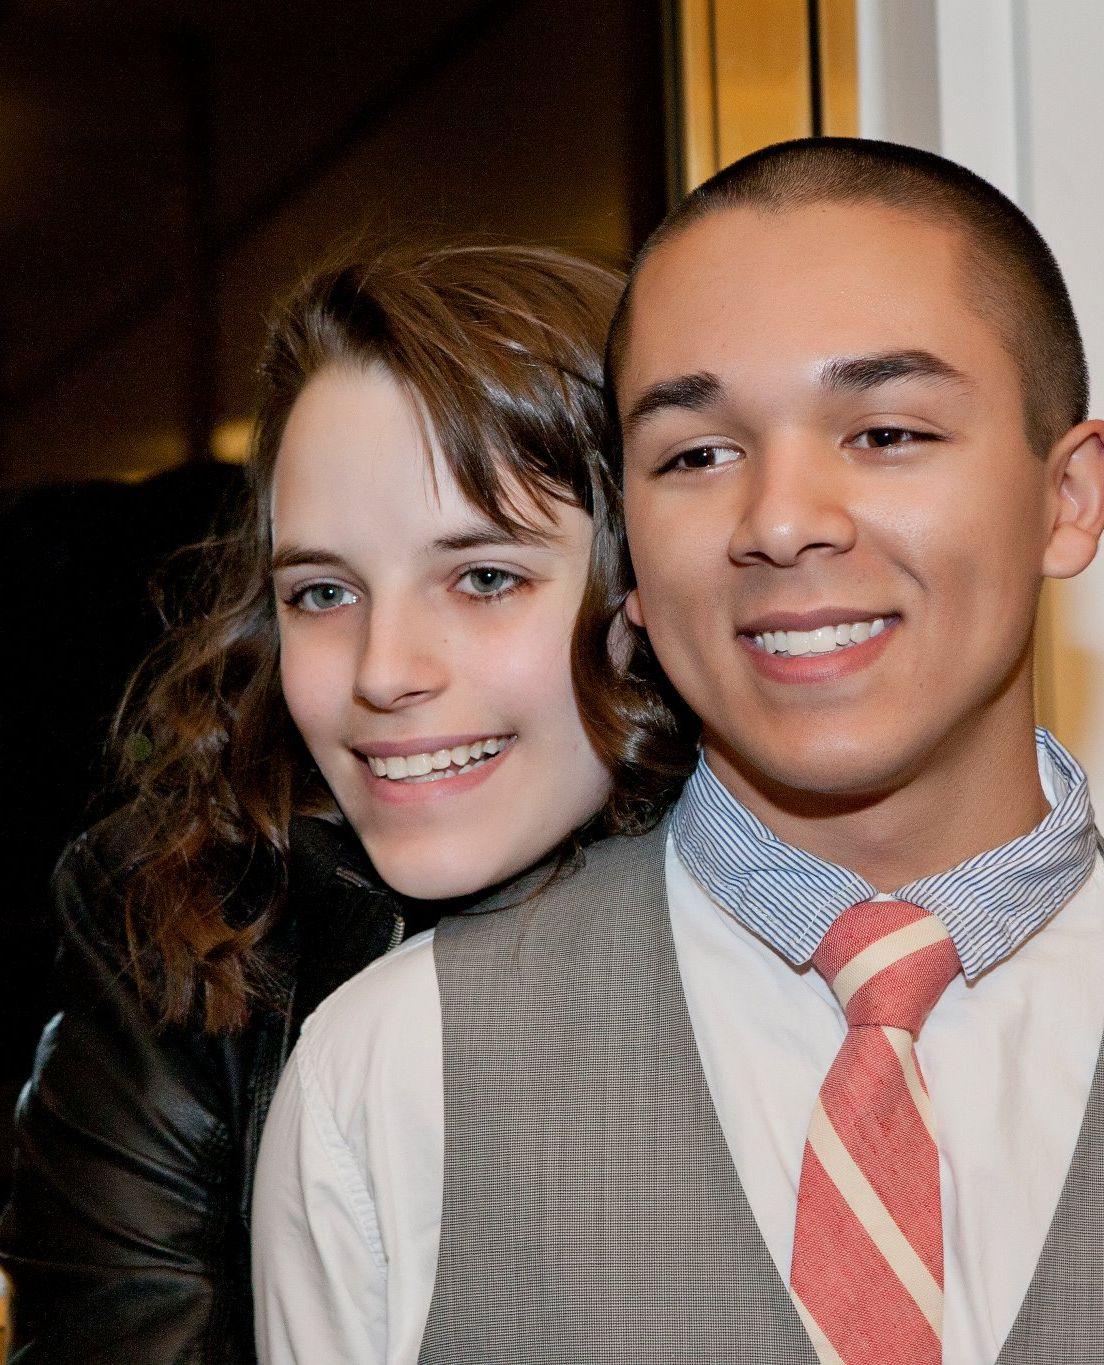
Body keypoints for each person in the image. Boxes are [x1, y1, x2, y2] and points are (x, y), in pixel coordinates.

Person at [252, 139, 1104, 1363]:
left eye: (884, 433)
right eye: (697, 455)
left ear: (1069, 496)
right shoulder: (392, 1076)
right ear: (630, 553)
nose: (781, 521)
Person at [0, 241, 691, 1362]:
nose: (383, 670)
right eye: (324, 592)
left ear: (645, 592)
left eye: (484, 578)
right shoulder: (182, 925)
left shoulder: (816, 920)